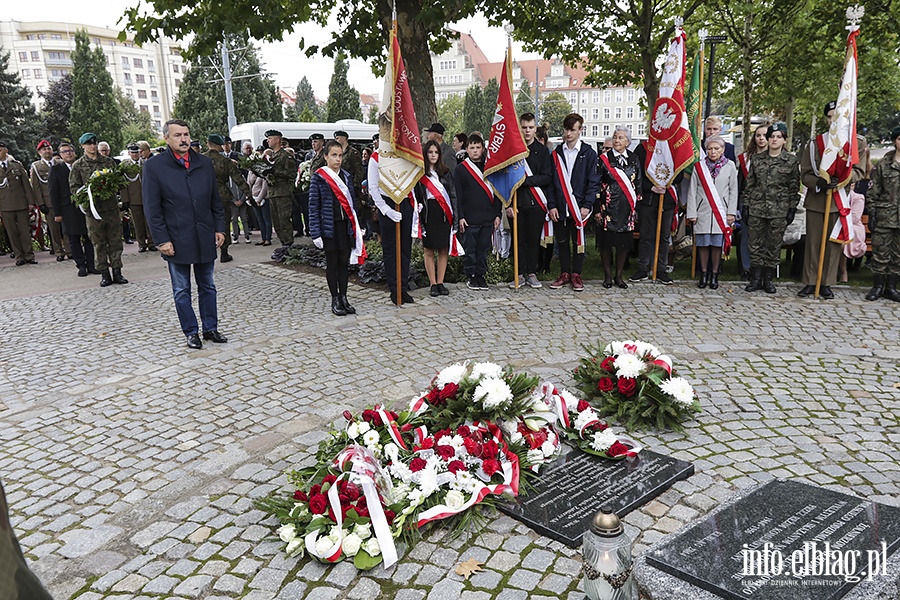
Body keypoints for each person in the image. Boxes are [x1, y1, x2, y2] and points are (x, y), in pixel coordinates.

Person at [143, 119, 228, 349]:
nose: (184, 139)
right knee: (181, 289)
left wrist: (220, 228)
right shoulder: (154, 167)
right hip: (176, 239)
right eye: (178, 135)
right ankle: (191, 331)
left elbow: (215, 201)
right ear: (167, 139)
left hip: (204, 235)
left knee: (208, 285)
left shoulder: (204, 163)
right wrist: (161, 240)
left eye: (186, 134)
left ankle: (210, 328)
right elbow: (152, 208)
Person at [742, 122, 800, 294]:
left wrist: (791, 209)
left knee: (773, 246)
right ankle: (756, 278)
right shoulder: (757, 159)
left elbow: (793, 187)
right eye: (772, 136)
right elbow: (750, 184)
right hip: (757, 208)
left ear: (784, 140)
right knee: (755, 245)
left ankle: (768, 279)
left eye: (778, 137)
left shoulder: (790, 160)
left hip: (779, 210)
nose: (774, 140)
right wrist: (746, 205)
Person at [309, 140, 365, 315]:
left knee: (344, 263)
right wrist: (316, 233)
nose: (338, 159)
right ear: (325, 157)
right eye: (334, 155)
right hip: (329, 227)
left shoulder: (346, 177)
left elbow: (352, 205)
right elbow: (313, 207)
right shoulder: (319, 177)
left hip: (344, 226)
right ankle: (335, 298)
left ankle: (344, 297)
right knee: (332, 263)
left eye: (340, 155)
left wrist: (357, 226)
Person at [548, 113, 599, 292]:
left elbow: (593, 182)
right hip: (560, 206)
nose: (568, 133)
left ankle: (577, 273)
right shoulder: (556, 154)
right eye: (566, 129)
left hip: (579, 207)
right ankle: (564, 273)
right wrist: (552, 205)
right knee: (561, 241)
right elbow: (551, 182)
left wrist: (587, 205)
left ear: (580, 130)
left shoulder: (589, 154)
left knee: (579, 241)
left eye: (572, 129)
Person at [69, 132, 128, 286]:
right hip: (93, 211)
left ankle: (117, 271)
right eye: (89, 144)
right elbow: (74, 188)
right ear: (82, 146)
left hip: (111, 208)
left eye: (94, 143)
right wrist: (88, 193)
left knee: (115, 241)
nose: (92, 146)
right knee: (98, 243)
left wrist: (112, 185)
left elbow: (119, 183)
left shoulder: (108, 162)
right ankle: (104, 274)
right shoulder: (78, 166)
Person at [798, 101, 843, 299]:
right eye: (830, 116)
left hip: (839, 201)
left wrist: (841, 181)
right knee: (813, 243)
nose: (833, 120)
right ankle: (810, 281)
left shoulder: (853, 143)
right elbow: (805, 173)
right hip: (817, 200)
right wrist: (819, 183)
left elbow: (859, 172)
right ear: (827, 118)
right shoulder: (815, 143)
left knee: (832, 245)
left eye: (837, 116)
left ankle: (827, 283)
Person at [686, 136, 738, 289]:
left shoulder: (730, 166)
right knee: (702, 244)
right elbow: (692, 191)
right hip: (702, 211)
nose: (713, 151)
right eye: (710, 149)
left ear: (722, 150)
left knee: (716, 244)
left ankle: (714, 275)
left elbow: (733, 191)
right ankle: (703, 274)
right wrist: (692, 213)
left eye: (716, 148)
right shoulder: (699, 167)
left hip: (721, 213)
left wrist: (731, 213)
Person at [508, 112, 553, 289]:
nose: (527, 131)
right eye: (524, 127)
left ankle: (532, 273)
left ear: (536, 129)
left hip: (536, 203)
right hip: (516, 204)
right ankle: (518, 273)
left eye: (531, 127)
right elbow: (506, 179)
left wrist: (526, 181)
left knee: (533, 240)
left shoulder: (542, 151)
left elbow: (547, 177)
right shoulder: (513, 151)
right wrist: (507, 205)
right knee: (518, 240)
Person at [368, 135, 416, 304]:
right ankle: (394, 288)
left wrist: (415, 204)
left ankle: (403, 286)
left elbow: (412, 179)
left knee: (405, 248)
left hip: (405, 201)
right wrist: (385, 209)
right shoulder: (376, 157)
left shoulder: (405, 153)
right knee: (391, 249)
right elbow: (373, 186)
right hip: (387, 203)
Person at [631, 138, 683, 285]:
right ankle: (643, 268)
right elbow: (637, 173)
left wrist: (667, 182)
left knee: (664, 236)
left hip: (667, 199)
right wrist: (650, 187)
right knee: (646, 236)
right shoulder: (642, 149)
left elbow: (679, 172)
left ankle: (661, 269)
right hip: (648, 199)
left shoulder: (674, 148)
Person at [596, 125, 641, 289]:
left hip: (627, 207)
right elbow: (596, 184)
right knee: (607, 244)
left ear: (628, 142)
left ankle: (619, 276)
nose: (616, 140)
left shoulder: (634, 158)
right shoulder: (603, 159)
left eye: (621, 138)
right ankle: (607, 276)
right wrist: (597, 209)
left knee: (623, 244)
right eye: (615, 137)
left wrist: (636, 207)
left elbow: (639, 183)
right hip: (608, 207)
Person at [455, 133, 501, 290]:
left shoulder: (490, 168)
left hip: (487, 216)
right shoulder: (461, 169)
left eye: (478, 148)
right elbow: (458, 196)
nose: (475, 151)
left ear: (483, 149)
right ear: (466, 149)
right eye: (472, 148)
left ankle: (481, 274)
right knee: (470, 249)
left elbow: (497, 192)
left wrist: (497, 214)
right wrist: (460, 216)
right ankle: (471, 275)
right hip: (469, 217)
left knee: (483, 248)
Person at [415, 140, 458, 296]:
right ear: (426, 154)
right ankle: (432, 284)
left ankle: (441, 282)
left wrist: (456, 217)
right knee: (429, 250)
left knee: (443, 249)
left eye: (436, 152)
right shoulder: (419, 174)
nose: (433, 155)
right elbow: (417, 198)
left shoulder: (445, 172)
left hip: (444, 214)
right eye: (430, 152)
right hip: (428, 212)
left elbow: (453, 196)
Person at [50, 142, 98, 277]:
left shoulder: (81, 166)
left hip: (84, 206)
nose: (68, 153)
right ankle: (81, 265)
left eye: (70, 150)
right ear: (60, 155)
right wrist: (57, 212)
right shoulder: (56, 170)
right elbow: (53, 192)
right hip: (68, 209)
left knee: (89, 236)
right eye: (65, 152)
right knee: (74, 238)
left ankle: (91, 264)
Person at [865, 126, 900, 302]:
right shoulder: (883, 166)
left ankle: (891, 288)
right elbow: (873, 192)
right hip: (885, 217)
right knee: (880, 254)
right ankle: (877, 287)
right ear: (895, 141)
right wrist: (872, 213)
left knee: (897, 256)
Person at [205, 134, 250, 262]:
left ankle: (208, 251)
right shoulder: (225, 161)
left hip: (204, 195)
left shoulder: (200, 159)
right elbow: (238, 179)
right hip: (222, 194)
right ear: (220, 145)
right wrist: (248, 193)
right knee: (224, 222)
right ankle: (224, 252)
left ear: (208, 144)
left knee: (206, 223)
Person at [736, 123, 770, 279]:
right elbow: (740, 182)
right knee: (747, 236)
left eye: (764, 135)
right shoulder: (746, 158)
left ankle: (762, 269)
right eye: (758, 135)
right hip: (748, 201)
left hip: (768, 202)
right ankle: (746, 268)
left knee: (765, 237)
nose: (761, 138)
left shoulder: (777, 156)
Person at [0, 141, 39, 265]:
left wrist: (31, 201)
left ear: (6, 150)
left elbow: (26, 185)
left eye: (0, 150)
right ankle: (19, 256)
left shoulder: (16, 165)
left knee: (24, 230)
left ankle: (29, 255)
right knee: (12, 232)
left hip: (21, 202)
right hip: (5, 205)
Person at [30, 139, 70, 260]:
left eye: (49, 148)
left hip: (64, 201)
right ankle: (58, 251)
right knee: (54, 229)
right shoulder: (36, 167)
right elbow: (36, 187)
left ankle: (70, 250)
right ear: (39, 152)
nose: (47, 151)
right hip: (49, 203)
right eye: (44, 149)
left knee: (67, 227)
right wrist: (41, 203)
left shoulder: (60, 162)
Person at [264, 129, 297, 258]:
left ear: (277, 140)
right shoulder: (272, 156)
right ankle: (283, 244)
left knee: (284, 220)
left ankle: (288, 245)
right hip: (272, 192)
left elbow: (291, 174)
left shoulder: (285, 156)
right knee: (276, 222)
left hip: (282, 193)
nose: (268, 141)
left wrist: (275, 172)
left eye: (270, 138)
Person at [120, 144, 156, 252]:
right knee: (138, 223)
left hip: (147, 198)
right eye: (133, 153)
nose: (135, 155)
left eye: (137, 152)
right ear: (129, 153)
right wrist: (125, 199)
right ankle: (141, 244)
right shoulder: (125, 166)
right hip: (134, 199)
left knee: (149, 221)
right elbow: (123, 184)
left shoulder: (146, 163)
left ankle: (151, 242)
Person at [248, 168, 273, 246]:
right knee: (260, 220)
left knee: (266, 219)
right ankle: (263, 238)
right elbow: (248, 184)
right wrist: (249, 197)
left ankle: (268, 238)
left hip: (263, 198)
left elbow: (264, 187)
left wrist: (259, 199)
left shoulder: (262, 171)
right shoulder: (250, 172)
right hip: (253, 197)